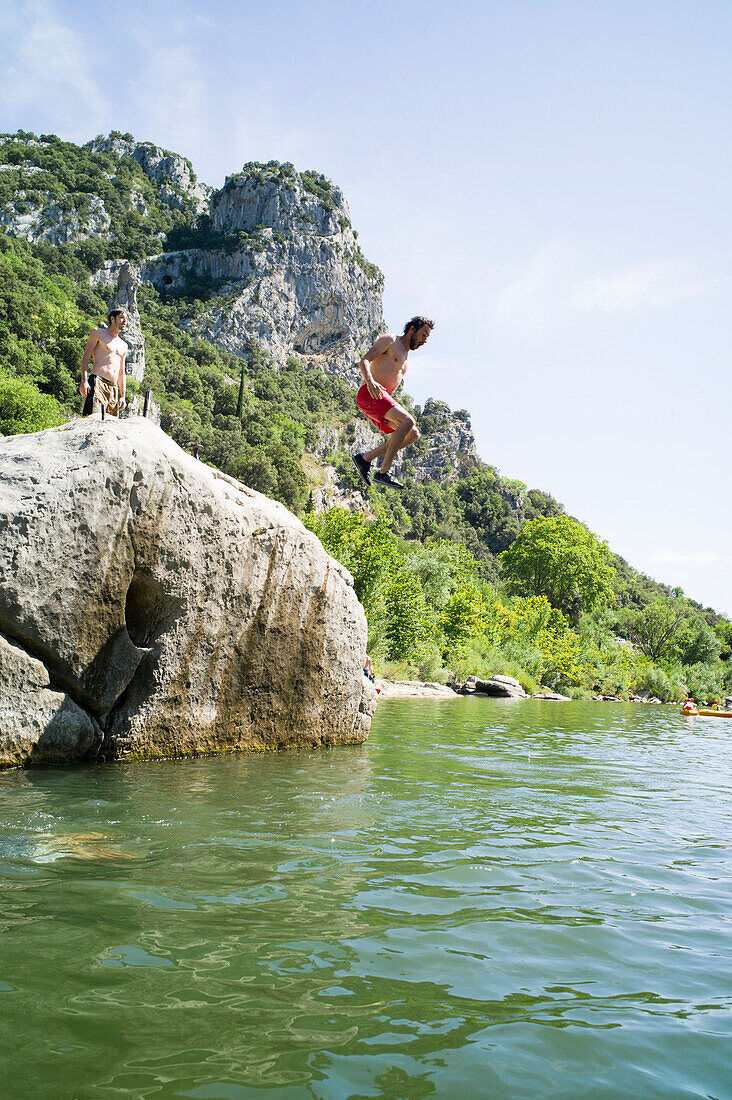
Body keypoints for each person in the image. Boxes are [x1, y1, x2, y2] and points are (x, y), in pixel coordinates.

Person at [351, 316, 433, 489]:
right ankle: (383, 472)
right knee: (408, 421)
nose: (425, 340)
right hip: (370, 393)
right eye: (423, 334)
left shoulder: (406, 357)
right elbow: (364, 360)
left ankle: (364, 458)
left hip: (382, 400)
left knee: (413, 434)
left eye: (427, 337)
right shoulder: (390, 340)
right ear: (412, 329)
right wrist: (370, 381)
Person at [79, 308, 128, 418]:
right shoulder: (98, 333)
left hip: (113, 387)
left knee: (110, 423)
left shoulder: (123, 345)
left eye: (126, 319)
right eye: (121, 317)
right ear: (112, 319)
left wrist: (123, 396)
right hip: (98, 382)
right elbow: (86, 357)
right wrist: (84, 380)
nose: (124, 321)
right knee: (93, 418)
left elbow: (121, 372)